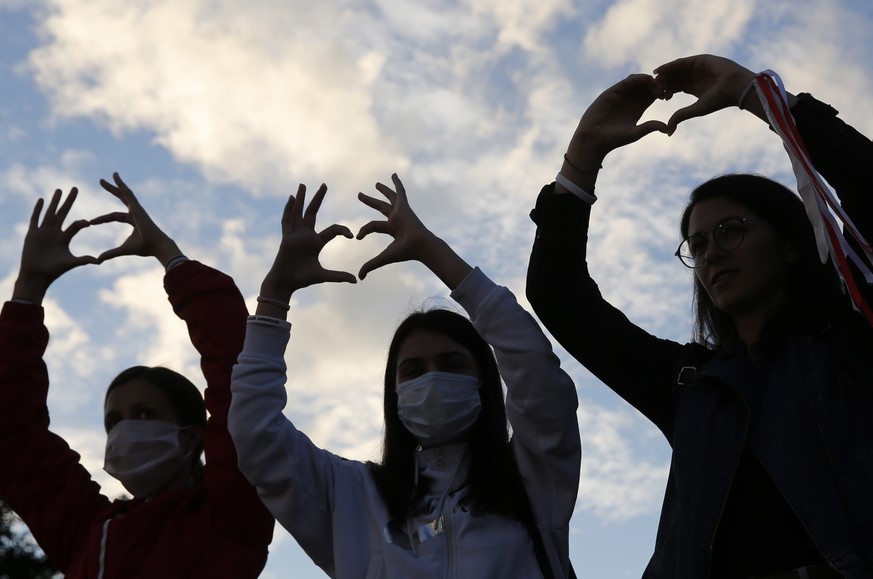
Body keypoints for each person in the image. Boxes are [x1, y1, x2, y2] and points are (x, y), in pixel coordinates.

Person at [526, 54, 873, 578]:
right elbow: (560, 297)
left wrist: (755, 97)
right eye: (698, 243)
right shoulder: (691, 385)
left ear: (790, 244)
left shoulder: (852, 341)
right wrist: (583, 157)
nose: (711, 252)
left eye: (731, 230)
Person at [227, 175, 580, 578]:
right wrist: (274, 294)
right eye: (412, 371)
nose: (431, 380)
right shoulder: (352, 495)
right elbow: (255, 433)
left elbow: (538, 374)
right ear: (393, 393)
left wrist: (431, 251)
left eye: (452, 364)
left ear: (485, 379)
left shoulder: (533, 479)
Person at [0, 174, 274, 578]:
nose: (125, 430)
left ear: (192, 434)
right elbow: (14, 435)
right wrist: (28, 289)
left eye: (145, 414)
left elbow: (236, 370)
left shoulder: (232, 513)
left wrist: (169, 255)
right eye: (114, 420)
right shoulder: (87, 532)